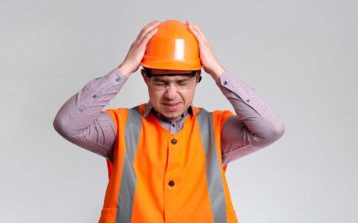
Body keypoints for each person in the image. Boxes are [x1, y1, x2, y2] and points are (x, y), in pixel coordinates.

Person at [53, 19, 285, 223]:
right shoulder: (119, 126)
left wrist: (218, 71)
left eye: (182, 82)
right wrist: (124, 70)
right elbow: (68, 123)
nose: (171, 94)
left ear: (197, 79)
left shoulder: (218, 129)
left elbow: (271, 129)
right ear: (145, 78)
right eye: (161, 82)